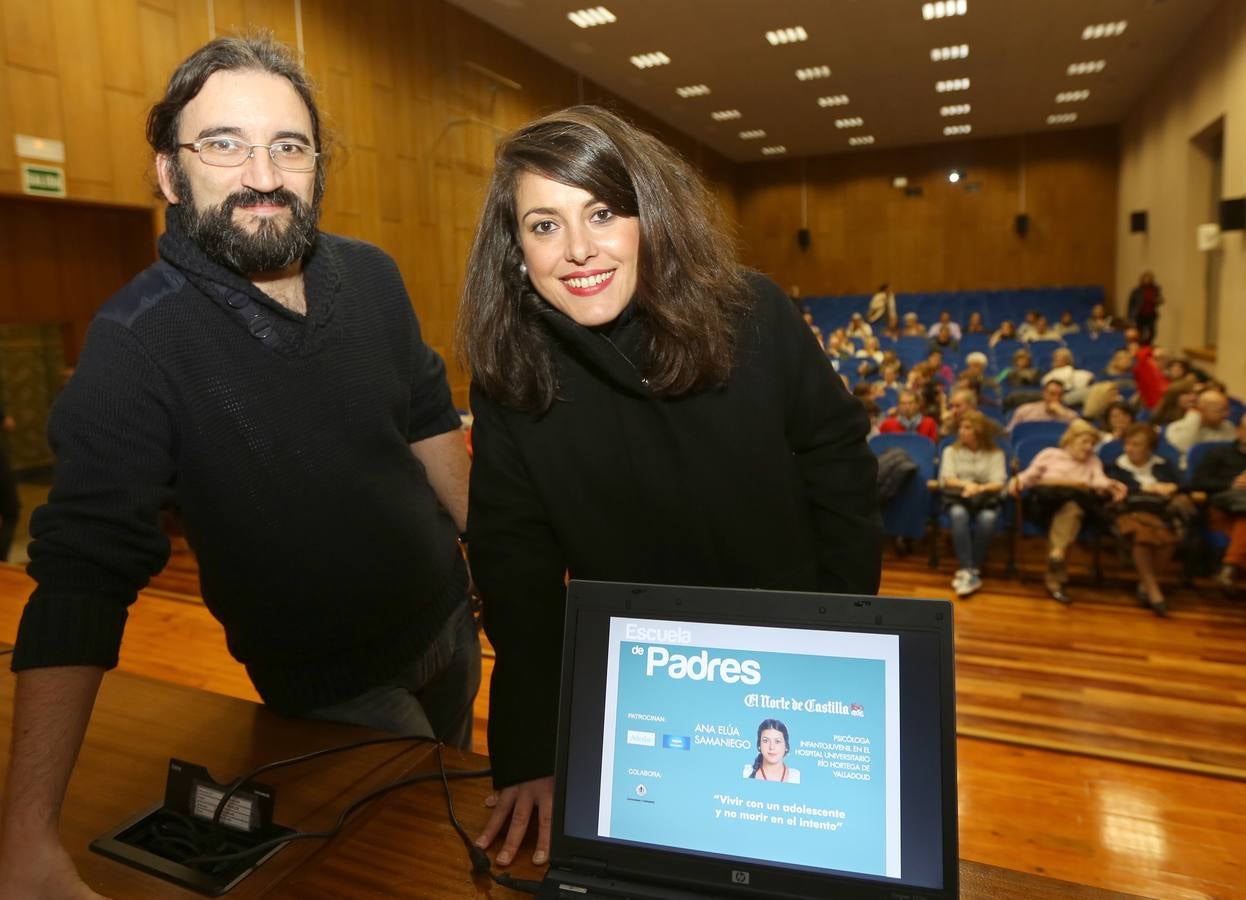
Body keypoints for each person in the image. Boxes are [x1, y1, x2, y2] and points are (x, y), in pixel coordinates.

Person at [0, 35, 479, 897]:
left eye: (288, 146)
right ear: (169, 173)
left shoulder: (373, 276)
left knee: (455, 842)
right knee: (402, 869)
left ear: (315, 166)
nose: (263, 172)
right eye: (223, 143)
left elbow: (429, 422)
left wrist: (499, 575)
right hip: (334, 691)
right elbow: (80, 580)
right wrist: (27, 839)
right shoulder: (134, 343)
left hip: (451, 629)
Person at [457, 106, 881, 868]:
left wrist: (839, 634)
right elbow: (515, 576)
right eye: (545, 225)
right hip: (643, 687)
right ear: (516, 249)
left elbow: (840, 469)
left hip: (791, 656)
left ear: (651, 217)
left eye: (603, 213)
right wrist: (529, 753)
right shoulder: (511, 375)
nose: (579, 249)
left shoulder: (753, 312)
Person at [1010, 419, 1128, 603]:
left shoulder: (1092, 461)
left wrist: (1110, 484)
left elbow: (1098, 480)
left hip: (1074, 512)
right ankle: (1057, 571)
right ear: (1070, 440)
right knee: (1074, 504)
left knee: (1072, 509)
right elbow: (1029, 477)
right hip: (1044, 506)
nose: (1089, 447)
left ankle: (1056, 562)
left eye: (1092, 443)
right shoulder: (1050, 455)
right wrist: (1016, 482)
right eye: (1084, 442)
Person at [1104, 423, 1192, 616]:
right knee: (1143, 536)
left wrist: (1171, 487)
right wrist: (1146, 488)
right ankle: (1154, 592)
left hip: (1161, 514)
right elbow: (1111, 490)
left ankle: (1146, 585)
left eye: (1136, 444)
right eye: (1127, 444)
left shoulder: (1164, 465)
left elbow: (1185, 485)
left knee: (1167, 540)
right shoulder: (1115, 466)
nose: (1129, 449)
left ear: (1149, 448)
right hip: (1129, 513)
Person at [939, 411, 1006, 598]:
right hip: (959, 497)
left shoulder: (995, 453)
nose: (961, 431)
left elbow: (999, 482)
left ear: (979, 431)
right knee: (958, 515)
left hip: (985, 497)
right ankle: (967, 568)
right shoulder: (951, 451)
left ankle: (973, 568)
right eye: (961, 427)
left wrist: (978, 488)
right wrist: (966, 485)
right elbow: (948, 479)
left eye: (967, 427)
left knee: (988, 518)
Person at [1189, 415, 1246, 593]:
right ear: (1238, 431)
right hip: (1222, 510)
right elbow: (1198, 482)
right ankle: (1230, 569)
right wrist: (1232, 484)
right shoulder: (1218, 453)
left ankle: (1229, 569)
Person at [1165, 389, 1236, 461]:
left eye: (1227, 409)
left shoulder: (1228, 426)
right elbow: (1183, 451)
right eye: (1221, 410)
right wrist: (1193, 419)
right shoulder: (1177, 428)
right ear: (1202, 409)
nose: (1227, 414)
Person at [1007, 380, 1080, 431]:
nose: (1056, 398)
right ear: (1044, 393)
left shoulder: (1071, 415)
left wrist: (1064, 415)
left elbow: (1083, 433)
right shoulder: (1024, 410)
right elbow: (1010, 433)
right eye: (1052, 394)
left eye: (1060, 395)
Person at [1127, 271, 1163, 344]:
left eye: (1149, 279)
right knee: (1140, 331)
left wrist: (1158, 300)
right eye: (1146, 279)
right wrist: (1130, 316)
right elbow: (1131, 304)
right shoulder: (1137, 291)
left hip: (1151, 314)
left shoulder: (1155, 289)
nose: (1147, 280)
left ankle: (1147, 344)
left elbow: (1159, 299)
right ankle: (1141, 344)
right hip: (1140, 314)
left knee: (1152, 332)